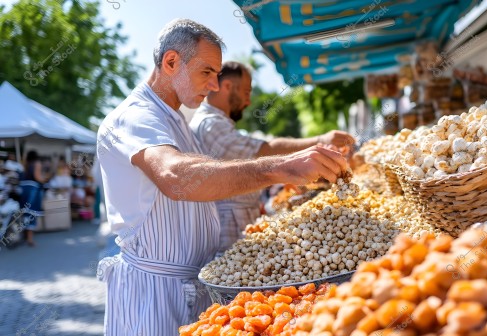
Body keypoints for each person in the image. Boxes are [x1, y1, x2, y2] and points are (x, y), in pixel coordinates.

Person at [96, 19, 348, 335]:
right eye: (206, 73)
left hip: (188, 286)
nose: (215, 86)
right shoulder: (135, 117)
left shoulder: (174, 120)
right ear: (171, 62)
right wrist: (280, 169)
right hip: (154, 295)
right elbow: (176, 175)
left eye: (217, 76)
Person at [189, 61, 355, 254]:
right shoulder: (210, 125)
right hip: (227, 229)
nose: (248, 101)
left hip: (236, 222)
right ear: (227, 86)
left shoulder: (216, 123)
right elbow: (263, 150)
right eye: (246, 92)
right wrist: (319, 140)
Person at [20, 151, 49, 246]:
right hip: (33, 188)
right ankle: (30, 238)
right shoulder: (37, 163)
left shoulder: (25, 164)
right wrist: (45, 179)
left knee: (25, 211)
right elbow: (37, 177)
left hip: (23, 188)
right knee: (32, 212)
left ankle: (24, 234)